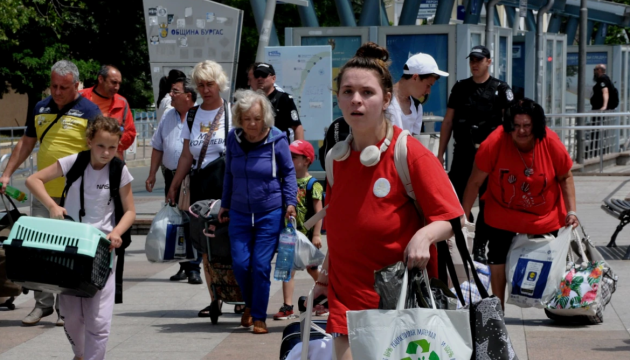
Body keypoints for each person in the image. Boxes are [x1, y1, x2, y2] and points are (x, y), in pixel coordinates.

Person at [312, 42, 463, 360]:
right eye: (348, 91)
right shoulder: (335, 159)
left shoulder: (410, 154)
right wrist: (325, 279)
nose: (356, 100)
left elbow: (452, 218)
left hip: (400, 303)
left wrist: (424, 235)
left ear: (386, 99)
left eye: (367, 92)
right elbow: (342, 227)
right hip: (346, 303)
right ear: (338, 98)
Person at [25, 115, 136, 360]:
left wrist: (116, 232)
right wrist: (52, 207)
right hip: (71, 249)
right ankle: (81, 354)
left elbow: (130, 211)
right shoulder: (74, 162)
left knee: (97, 317)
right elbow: (33, 180)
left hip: (102, 251)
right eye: (100, 146)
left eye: (112, 147)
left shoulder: (119, 170)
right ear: (89, 142)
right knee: (72, 315)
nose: (106, 152)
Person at [0, 60, 101, 326]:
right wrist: (7, 173)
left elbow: (102, 148)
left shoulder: (89, 111)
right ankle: (42, 305)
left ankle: (64, 308)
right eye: (54, 85)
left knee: (69, 252)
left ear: (77, 85)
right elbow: (26, 143)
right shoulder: (41, 107)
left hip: (75, 195)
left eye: (64, 87)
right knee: (39, 249)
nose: (57, 92)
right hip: (42, 191)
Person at [461, 98, 579, 309]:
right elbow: (475, 181)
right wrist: (464, 215)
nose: (521, 131)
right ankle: (498, 306)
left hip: (543, 216)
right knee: (496, 256)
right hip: (503, 211)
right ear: (508, 126)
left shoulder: (550, 141)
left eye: (527, 126)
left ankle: (552, 303)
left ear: (536, 126)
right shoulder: (495, 142)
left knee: (550, 261)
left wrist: (572, 211)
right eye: (516, 126)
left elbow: (565, 176)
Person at [218, 89, 298, 334]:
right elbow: (229, 174)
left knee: (261, 265)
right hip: (240, 212)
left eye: (256, 118)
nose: (251, 124)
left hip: (269, 212)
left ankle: (259, 316)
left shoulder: (277, 139)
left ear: (265, 118)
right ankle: (250, 306)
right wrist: (225, 204)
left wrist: (290, 203)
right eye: (246, 119)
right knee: (241, 264)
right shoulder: (233, 138)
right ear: (239, 119)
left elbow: (289, 173)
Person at [437, 45, 514, 264]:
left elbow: (509, 125)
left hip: (491, 157)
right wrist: (440, 153)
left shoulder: (500, 89)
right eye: (472, 60)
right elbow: (449, 121)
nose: (474, 64)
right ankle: (461, 238)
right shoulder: (461, 88)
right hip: (463, 153)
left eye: (479, 60)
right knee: (456, 200)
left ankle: (480, 245)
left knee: (488, 203)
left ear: (489, 62)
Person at [166, 60, 233, 308]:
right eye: (201, 84)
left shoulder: (232, 112)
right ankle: (214, 298)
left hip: (227, 186)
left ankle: (238, 295)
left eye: (210, 84)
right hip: (201, 185)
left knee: (230, 241)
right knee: (206, 244)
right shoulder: (193, 115)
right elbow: (187, 155)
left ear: (220, 84)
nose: (206, 89)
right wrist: (174, 185)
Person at [274, 140, 324, 320]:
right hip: (289, 234)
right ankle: (287, 306)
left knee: (313, 269)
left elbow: (319, 212)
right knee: (287, 270)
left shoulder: (313, 184)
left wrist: (317, 235)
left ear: (306, 160)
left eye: (293, 157)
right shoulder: (283, 181)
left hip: (307, 236)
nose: (288, 159)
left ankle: (325, 298)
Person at [79, 65, 137, 159]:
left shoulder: (122, 103)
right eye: (114, 82)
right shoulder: (80, 97)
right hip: (83, 158)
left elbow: (130, 133)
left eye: (119, 83)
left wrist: (111, 143)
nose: (117, 87)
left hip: (111, 161)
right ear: (101, 79)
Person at [390, 53, 448, 135]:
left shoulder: (417, 107)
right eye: (428, 85)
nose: (429, 91)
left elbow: (413, 142)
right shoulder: (382, 99)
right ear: (415, 77)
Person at [251, 63, 304, 141]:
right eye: (257, 75)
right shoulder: (251, 100)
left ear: (273, 78)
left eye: (264, 75)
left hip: (278, 147)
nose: (259, 78)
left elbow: (297, 127)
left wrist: (299, 151)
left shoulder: (284, 98)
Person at [588, 64, 618, 158]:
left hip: (599, 110)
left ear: (600, 70)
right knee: (597, 130)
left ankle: (594, 152)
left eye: (595, 69)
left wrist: (604, 106)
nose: (594, 71)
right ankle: (594, 151)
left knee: (596, 130)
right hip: (598, 109)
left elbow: (605, 91)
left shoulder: (603, 79)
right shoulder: (604, 79)